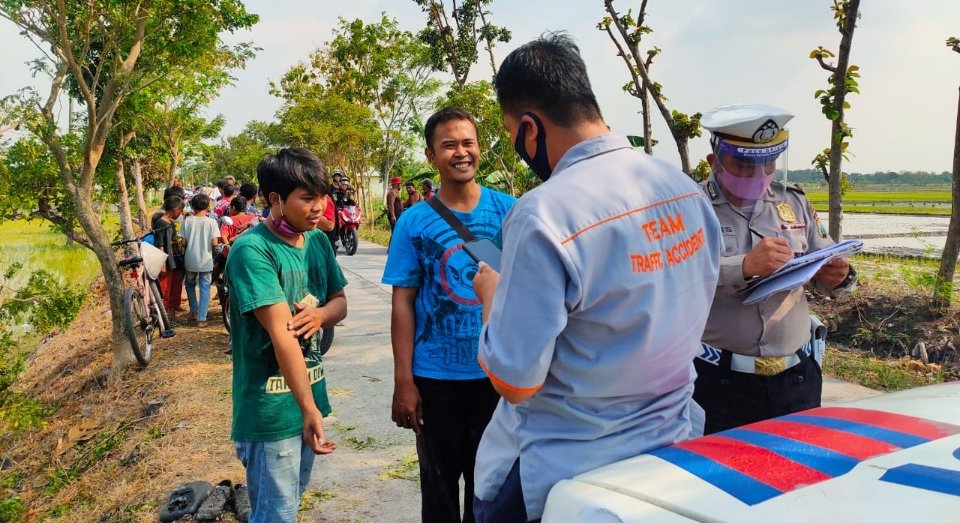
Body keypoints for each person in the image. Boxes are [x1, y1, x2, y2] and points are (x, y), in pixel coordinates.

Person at [470, 33, 722, 522]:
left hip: (572, 471)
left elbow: (515, 381)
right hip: (671, 450)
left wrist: (492, 297)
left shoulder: (543, 213)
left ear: (529, 129)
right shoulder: (680, 189)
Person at [382, 106, 516, 523]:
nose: (461, 152)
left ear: (480, 149)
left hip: (496, 375)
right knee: (438, 488)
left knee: (491, 487)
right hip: (435, 377)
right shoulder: (413, 222)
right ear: (430, 155)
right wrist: (404, 379)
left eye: (468, 142)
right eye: (449, 145)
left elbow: (530, 293)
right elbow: (402, 302)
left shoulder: (513, 211)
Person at [693, 103, 857, 435]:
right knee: (726, 480)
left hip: (796, 380)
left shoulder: (793, 203)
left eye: (767, 163)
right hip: (721, 382)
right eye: (743, 164)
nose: (757, 174)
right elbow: (674, 276)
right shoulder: (692, 207)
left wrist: (839, 276)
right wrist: (743, 266)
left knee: (800, 476)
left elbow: (824, 262)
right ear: (714, 161)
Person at [226, 147, 347, 522]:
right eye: (307, 198)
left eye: (322, 197)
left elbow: (339, 301)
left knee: (288, 504)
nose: (319, 207)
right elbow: (282, 337)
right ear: (275, 199)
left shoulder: (317, 241)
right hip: (270, 411)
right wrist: (309, 409)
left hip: (307, 398)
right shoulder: (252, 251)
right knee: (277, 514)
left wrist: (321, 315)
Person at [181, 193, 220, 328]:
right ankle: (202, 319)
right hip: (206, 261)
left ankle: (194, 311)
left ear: (192, 206)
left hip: (190, 260)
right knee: (205, 288)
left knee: (190, 285)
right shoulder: (212, 222)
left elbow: (184, 243)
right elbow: (215, 243)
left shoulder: (187, 221)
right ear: (208, 206)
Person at [153, 196, 186, 321]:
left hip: (177, 259)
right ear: (175, 209)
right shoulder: (160, 223)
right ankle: (168, 316)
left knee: (176, 286)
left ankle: (173, 311)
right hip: (167, 261)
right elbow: (160, 245)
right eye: (180, 210)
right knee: (167, 288)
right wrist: (162, 264)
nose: (181, 213)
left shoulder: (171, 223)